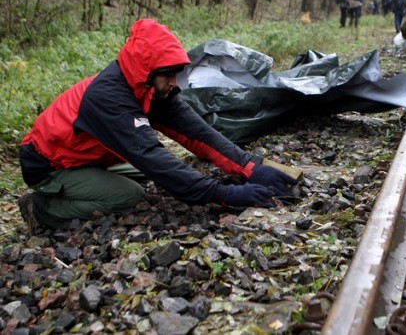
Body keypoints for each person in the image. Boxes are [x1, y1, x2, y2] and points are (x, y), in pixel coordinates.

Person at [18, 19, 298, 234]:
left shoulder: (149, 88)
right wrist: (223, 195)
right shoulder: (109, 99)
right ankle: (41, 208)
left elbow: (197, 134)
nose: (175, 83)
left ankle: (82, 188)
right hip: (49, 166)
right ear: (146, 70)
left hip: (86, 155)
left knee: (149, 177)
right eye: (169, 76)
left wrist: (250, 167)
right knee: (131, 194)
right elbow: (153, 157)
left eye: (176, 75)